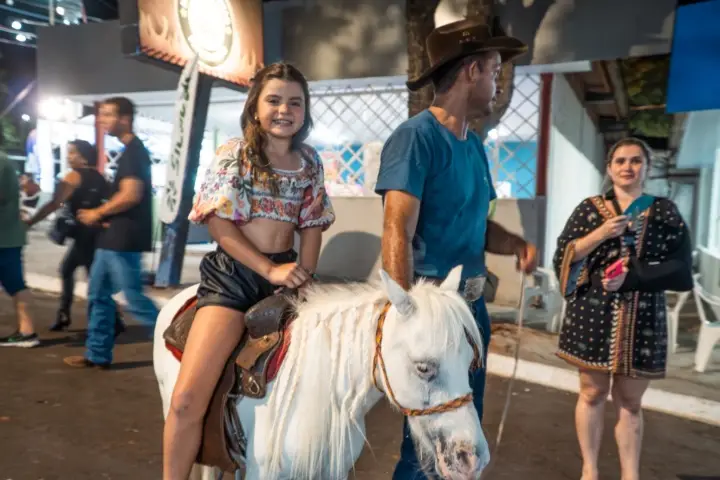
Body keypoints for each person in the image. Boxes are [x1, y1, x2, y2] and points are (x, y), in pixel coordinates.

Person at [375, 18, 538, 479]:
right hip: (434, 312)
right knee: (426, 444)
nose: (498, 83)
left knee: (463, 438)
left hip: (471, 309)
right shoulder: (415, 138)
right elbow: (397, 230)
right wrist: (409, 317)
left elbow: (476, 225)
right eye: (494, 71)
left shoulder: (474, 147)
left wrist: (514, 243)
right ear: (471, 71)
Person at [162, 62, 335, 479]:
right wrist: (268, 270)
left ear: (305, 110)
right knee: (186, 399)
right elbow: (219, 224)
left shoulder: (309, 161)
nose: (284, 110)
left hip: (286, 274)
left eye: (295, 102)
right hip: (235, 277)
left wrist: (305, 274)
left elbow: (312, 224)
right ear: (255, 106)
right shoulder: (235, 154)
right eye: (273, 100)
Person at [552, 137, 693, 480]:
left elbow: (680, 268)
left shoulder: (664, 211)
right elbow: (565, 256)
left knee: (630, 402)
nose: (627, 167)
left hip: (643, 317)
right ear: (609, 168)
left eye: (635, 161)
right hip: (592, 313)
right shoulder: (589, 210)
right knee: (592, 393)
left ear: (647, 167)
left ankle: (631, 474)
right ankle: (590, 469)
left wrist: (634, 277)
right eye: (620, 161)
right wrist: (600, 234)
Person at [63, 97, 159, 369]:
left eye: (107, 115)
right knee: (98, 296)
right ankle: (97, 354)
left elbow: (131, 195)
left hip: (124, 240)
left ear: (125, 119)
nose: (101, 120)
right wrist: (104, 217)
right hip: (112, 238)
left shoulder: (134, 153)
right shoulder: (129, 152)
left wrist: (98, 213)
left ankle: (182, 344)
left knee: (134, 298)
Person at [24, 140, 126, 335]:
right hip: (96, 234)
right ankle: (104, 317)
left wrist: (31, 221)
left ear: (83, 157)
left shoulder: (73, 176)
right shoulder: (101, 178)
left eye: (72, 153)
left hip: (84, 235)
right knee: (74, 271)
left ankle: (100, 318)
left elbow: (54, 203)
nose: (68, 156)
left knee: (83, 275)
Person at [0, 125, 38, 347]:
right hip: (8, 236)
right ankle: (27, 332)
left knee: (15, 284)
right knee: (15, 284)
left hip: (4, 237)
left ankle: (27, 332)